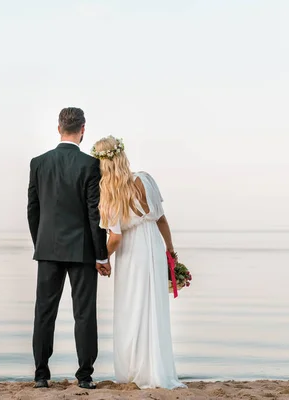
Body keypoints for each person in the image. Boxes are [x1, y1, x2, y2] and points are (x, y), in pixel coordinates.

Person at [92, 135, 186, 389]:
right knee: (153, 307)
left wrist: (102, 258)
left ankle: (135, 370)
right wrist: (171, 253)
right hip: (153, 246)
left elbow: (116, 237)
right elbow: (162, 220)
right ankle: (157, 370)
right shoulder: (145, 179)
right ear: (122, 155)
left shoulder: (110, 193)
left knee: (132, 307)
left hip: (132, 253)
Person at [27, 107, 110, 389]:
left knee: (44, 313)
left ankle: (41, 376)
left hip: (47, 248)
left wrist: (41, 242)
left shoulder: (38, 163)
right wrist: (102, 254)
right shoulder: (90, 165)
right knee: (84, 313)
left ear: (58, 127)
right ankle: (84, 377)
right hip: (83, 251)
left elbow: (33, 210)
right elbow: (94, 215)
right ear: (83, 129)